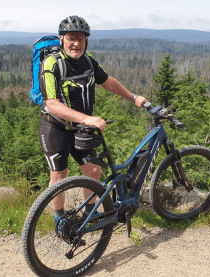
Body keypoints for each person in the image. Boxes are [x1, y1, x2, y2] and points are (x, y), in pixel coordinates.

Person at [38, 15, 147, 224]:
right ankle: (60, 220)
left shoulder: (88, 62)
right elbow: (52, 104)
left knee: (94, 171)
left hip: (81, 130)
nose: (76, 43)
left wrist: (133, 98)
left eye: (81, 38)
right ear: (61, 39)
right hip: (55, 129)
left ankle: (89, 213)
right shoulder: (51, 64)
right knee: (59, 176)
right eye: (71, 38)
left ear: (86, 40)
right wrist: (87, 119)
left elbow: (107, 82)